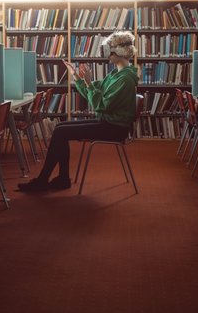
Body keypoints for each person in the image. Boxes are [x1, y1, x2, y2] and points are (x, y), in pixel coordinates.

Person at [17, 30, 139, 192]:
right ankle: (60, 178)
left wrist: (88, 84)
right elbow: (92, 93)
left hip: (115, 128)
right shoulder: (115, 74)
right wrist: (77, 77)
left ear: (120, 51)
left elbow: (100, 105)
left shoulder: (125, 78)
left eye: (110, 49)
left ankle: (47, 180)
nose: (107, 54)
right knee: (60, 128)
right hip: (108, 122)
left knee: (61, 133)